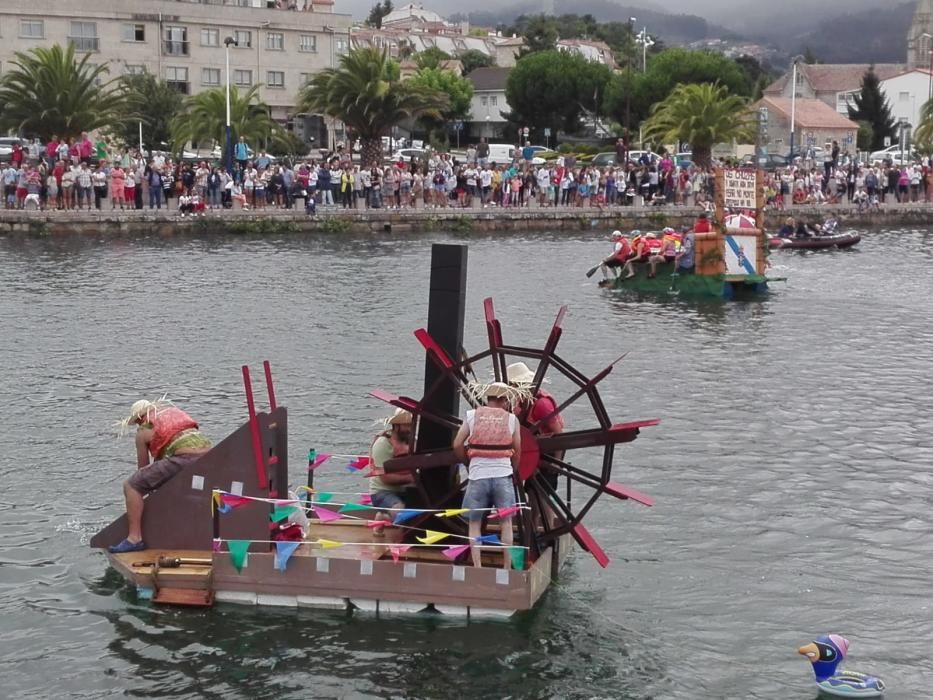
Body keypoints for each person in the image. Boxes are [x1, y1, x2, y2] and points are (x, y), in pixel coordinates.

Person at [109, 398, 212, 553]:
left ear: (138, 419)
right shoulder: (174, 413)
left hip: (184, 459)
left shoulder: (144, 429)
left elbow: (142, 470)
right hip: (210, 457)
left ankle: (134, 538)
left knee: (132, 485)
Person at [452, 382, 521, 569]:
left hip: (477, 476)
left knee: (474, 523)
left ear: (487, 398)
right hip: (503, 475)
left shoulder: (472, 415)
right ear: (505, 400)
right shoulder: (511, 419)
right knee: (506, 523)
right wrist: (512, 471)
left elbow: (457, 444)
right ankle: (507, 567)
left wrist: (467, 462)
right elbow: (518, 449)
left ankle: (478, 567)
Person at [507, 362, 564, 490]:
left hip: (548, 454)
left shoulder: (542, 404)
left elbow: (559, 435)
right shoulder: (522, 401)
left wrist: (556, 464)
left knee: (543, 496)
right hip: (531, 452)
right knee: (532, 491)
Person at [369, 408, 416, 536]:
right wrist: (411, 478)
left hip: (406, 490)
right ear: (396, 426)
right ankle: (383, 517)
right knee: (401, 514)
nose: (410, 429)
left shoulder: (411, 443)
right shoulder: (382, 444)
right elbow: (385, 478)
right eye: (407, 425)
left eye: (411, 425)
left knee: (422, 511)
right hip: (382, 491)